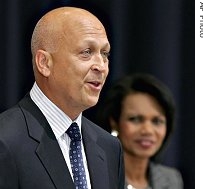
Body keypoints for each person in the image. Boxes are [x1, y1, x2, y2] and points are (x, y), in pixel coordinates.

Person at [0, 7, 125, 189]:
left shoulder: (110, 148)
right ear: (44, 63)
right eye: (86, 52)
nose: (101, 66)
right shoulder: (5, 140)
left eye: (105, 54)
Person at [97, 73, 183, 189]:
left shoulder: (171, 179)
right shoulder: (97, 176)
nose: (147, 130)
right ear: (115, 123)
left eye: (157, 121)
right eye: (135, 119)